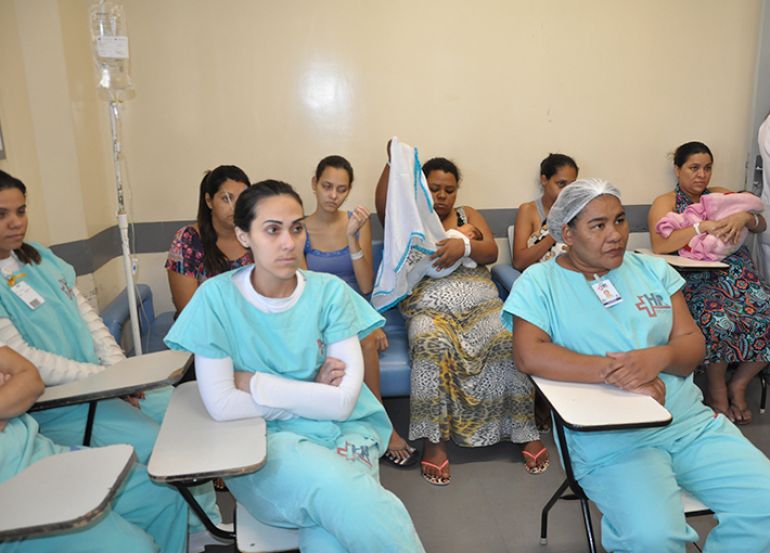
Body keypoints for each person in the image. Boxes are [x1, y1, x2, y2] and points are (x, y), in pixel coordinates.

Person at [503, 178, 770, 553]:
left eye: (621, 220)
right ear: (568, 232)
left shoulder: (651, 270)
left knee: (765, 506)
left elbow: (693, 345)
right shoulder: (541, 282)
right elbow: (529, 354)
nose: (615, 235)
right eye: (598, 225)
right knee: (653, 538)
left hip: (688, 424)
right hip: (611, 439)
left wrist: (657, 358)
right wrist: (621, 374)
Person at [165, 180, 425, 552]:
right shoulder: (216, 300)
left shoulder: (329, 293)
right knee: (348, 494)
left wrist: (257, 382)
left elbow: (342, 404)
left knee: (330, 534)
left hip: (345, 430)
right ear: (244, 235)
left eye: (296, 228)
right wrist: (313, 391)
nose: (288, 243)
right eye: (272, 230)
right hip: (266, 442)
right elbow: (222, 405)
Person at [0, 170, 220, 545]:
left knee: (186, 412)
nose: (16, 222)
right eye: (3, 214)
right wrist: (106, 385)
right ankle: (192, 525)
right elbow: (30, 362)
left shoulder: (41, 260)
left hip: (102, 385)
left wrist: (122, 376)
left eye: (21, 210)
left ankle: (204, 524)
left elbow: (90, 320)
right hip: (63, 403)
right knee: (158, 443)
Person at [375, 153, 545, 486]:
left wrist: (463, 246)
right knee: (429, 344)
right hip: (429, 306)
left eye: (448, 190)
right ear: (421, 187)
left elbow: (491, 253)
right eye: (434, 188)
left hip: (480, 303)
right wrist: (393, 160)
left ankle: (523, 430)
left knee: (507, 339)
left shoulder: (468, 214)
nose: (441, 196)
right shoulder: (407, 217)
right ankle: (434, 441)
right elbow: (384, 203)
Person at [0, 345, 189, 553]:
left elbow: (31, 379)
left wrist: (120, 376)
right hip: (11, 499)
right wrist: (10, 398)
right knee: (134, 548)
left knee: (165, 493)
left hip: (41, 455)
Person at [302, 155, 417, 467]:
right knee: (354, 339)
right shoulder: (299, 229)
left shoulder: (356, 221)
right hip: (320, 311)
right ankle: (354, 427)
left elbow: (366, 284)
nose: (333, 195)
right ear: (314, 184)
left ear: (349, 191)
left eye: (341, 189)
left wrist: (352, 237)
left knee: (365, 339)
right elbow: (306, 289)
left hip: (355, 308)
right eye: (326, 186)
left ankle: (382, 425)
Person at [648, 142, 770, 424]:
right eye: (693, 168)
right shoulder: (666, 202)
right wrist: (700, 227)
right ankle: (717, 390)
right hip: (695, 277)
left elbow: (760, 224)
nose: (702, 175)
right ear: (677, 170)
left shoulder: (720, 195)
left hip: (738, 272)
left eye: (707, 168)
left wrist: (745, 216)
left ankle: (739, 383)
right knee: (716, 321)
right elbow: (659, 244)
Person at [166, 165, 252, 315]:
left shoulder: (256, 236)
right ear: (209, 201)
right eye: (226, 198)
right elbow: (188, 311)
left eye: (242, 199)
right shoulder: (188, 240)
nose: (236, 207)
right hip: (204, 330)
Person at [512, 153, 578, 271]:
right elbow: (519, 262)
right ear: (544, 180)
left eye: (572, 185)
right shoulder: (529, 211)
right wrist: (553, 234)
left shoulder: (580, 210)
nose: (567, 191)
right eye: (561, 184)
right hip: (545, 278)